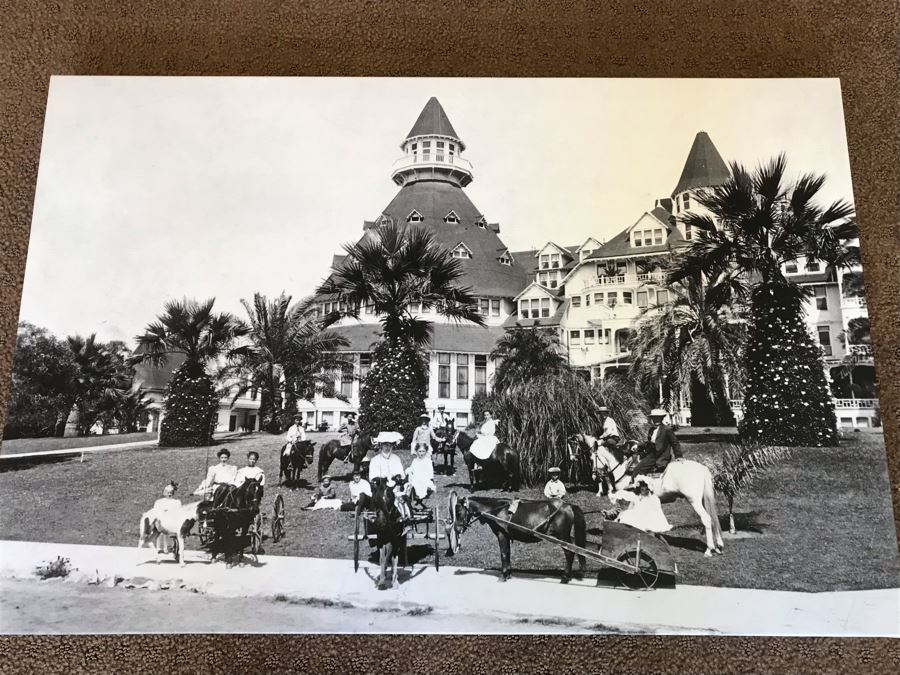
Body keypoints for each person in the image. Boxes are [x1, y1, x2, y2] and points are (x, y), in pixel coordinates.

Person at [629, 409, 683, 478]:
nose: (656, 420)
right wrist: (637, 445)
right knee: (637, 468)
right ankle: (640, 484)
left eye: (658, 418)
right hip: (652, 453)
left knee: (640, 470)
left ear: (662, 418)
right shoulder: (652, 429)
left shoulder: (667, 429)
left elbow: (675, 443)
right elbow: (649, 443)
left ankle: (640, 485)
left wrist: (678, 456)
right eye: (654, 418)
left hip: (661, 455)